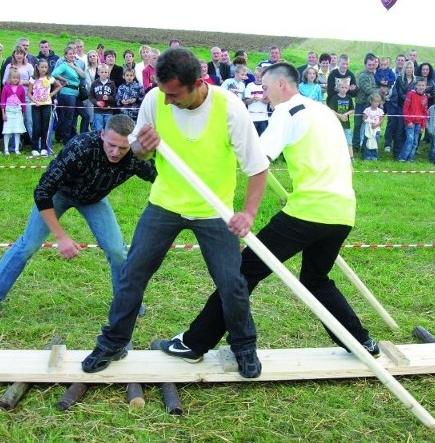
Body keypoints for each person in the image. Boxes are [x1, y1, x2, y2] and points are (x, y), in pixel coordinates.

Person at [157, 62, 379, 369]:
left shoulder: (288, 112)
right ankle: (361, 341)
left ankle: (193, 343)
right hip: (342, 211)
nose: (264, 94)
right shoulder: (324, 112)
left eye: (266, 87)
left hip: (308, 211)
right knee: (316, 279)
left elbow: (257, 158)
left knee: (244, 272)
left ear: (283, 85)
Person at [82, 47, 269, 378]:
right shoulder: (155, 100)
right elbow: (137, 152)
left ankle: (244, 346)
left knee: (232, 284)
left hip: (214, 211)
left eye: (174, 94)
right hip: (165, 204)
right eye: (163, 92)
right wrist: (141, 146)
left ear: (197, 83)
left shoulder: (230, 109)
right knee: (132, 274)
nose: (167, 100)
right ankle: (112, 343)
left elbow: (257, 167)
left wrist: (249, 213)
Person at [0, 115, 157, 322]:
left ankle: (126, 303)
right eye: (111, 145)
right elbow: (42, 192)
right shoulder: (80, 148)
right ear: (102, 135)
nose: (116, 152)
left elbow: (160, 177)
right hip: (59, 195)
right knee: (28, 245)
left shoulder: (135, 157)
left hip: (94, 199)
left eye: (123, 148)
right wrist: (61, 237)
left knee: (117, 251)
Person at [28, 59, 61, 157]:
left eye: (45, 67)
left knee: (45, 126)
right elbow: (29, 93)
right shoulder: (33, 79)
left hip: (46, 105)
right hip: (36, 105)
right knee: (36, 126)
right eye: (42, 67)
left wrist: (50, 94)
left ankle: (43, 147)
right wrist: (34, 101)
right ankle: (34, 148)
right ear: (37, 67)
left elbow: (59, 86)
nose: (44, 69)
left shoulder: (49, 78)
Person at [51, 45, 84, 144]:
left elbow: (84, 75)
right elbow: (53, 74)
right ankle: (66, 139)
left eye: (73, 53)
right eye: (70, 54)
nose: (72, 55)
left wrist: (74, 66)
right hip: (67, 93)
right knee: (68, 116)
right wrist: (63, 79)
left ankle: (59, 135)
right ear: (65, 55)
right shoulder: (64, 65)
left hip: (75, 93)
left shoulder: (76, 65)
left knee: (67, 116)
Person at [398, 78, 428, 162]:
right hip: (410, 122)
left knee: (415, 142)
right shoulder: (410, 94)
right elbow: (405, 109)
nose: (421, 87)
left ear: (425, 87)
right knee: (410, 140)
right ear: (416, 85)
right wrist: (408, 121)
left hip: (419, 123)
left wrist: (423, 125)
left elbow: (425, 112)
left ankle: (410, 158)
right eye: (419, 85)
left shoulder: (425, 97)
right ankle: (402, 157)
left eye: (423, 85)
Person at [326, 79, 355, 162]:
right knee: (335, 141)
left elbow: (352, 110)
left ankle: (351, 158)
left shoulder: (349, 98)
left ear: (348, 88)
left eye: (346, 88)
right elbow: (331, 110)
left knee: (348, 141)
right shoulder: (334, 98)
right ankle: (334, 157)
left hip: (346, 124)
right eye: (342, 87)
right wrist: (339, 116)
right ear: (338, 88)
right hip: (336, 124)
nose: (344, 89)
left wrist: (346, 114)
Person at [0, 69, 27, 155]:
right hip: (8, 111)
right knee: (7, 131)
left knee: (17, 130)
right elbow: (3, 101)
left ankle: (16, 149)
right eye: (13, 78)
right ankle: (6, 149)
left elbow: (23, 102)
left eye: (17, 78)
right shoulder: (6, 88)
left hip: (18, 111)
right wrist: (3, 113)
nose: (15, 79)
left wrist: (23, 113)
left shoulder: (21, 89)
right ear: (9, 78)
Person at [89, 63, 117, 132]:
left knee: (108, 128)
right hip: (98, 111)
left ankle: (107, 142)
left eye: (106, 72)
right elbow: (90, 96)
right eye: (102, 72)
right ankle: (99, 142)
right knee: (98, 128)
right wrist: (96, 102)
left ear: (108, 73)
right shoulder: (94, 83)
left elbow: (115, 97)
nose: (104, 74)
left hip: (109, 110)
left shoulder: (112, 84)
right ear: (98, 73)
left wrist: (108, 98)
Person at [362, 93, 384, 161]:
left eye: (378, 102)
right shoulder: (367, 110)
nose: (376, 103)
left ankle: (374, 156)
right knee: (367, 142)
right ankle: (367, 156)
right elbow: (364, 118)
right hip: (368, 129)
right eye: (375, 102)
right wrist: (368, 121)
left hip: (376, 130)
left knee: (375, 142)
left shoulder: (380, 111)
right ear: (371, 101)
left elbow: (381, 120)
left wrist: (376, 125)